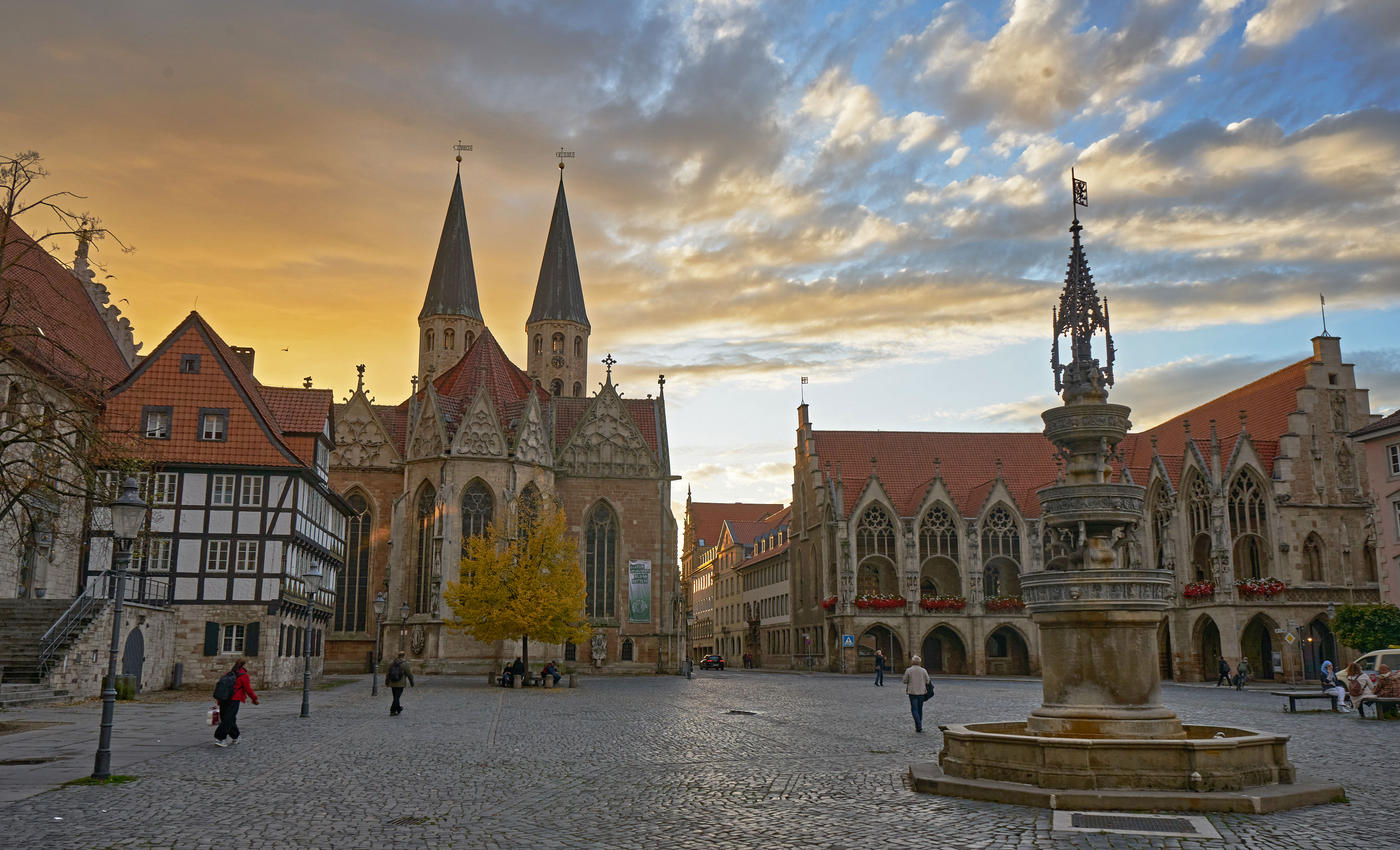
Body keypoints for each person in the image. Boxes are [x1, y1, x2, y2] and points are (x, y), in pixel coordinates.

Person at [214, 658, 258, 747]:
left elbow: (222, 687)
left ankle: (236, 736)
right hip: (234, 699)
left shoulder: (228, 674)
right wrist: (254, 699)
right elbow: (248, 689)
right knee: (228, 719)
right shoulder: (244, 676)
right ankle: (220, 738)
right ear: (244, 665)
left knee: (229, 718)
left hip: (224, 699)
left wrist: (219, 700)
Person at [901, 655, 931, 733]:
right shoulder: (923, 670)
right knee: (920, 709)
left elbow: (904, 681)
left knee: (914, 709)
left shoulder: (909, 670)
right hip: (921, 692)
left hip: (912, 692)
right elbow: (928, 681)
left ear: (912, 662)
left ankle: (918, 725)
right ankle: (919, 725)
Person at [385, 651, 414, 715]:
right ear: (404, 656)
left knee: (396, 697)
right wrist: (412, 683)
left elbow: (388, 673)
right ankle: (392, 710)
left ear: (398, 655)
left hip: (392, 682)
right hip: (400, 683)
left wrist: (387, 682)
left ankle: (398, 708)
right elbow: (409, 674)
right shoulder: (405, 664)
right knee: (396, 697)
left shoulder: (392, 663)